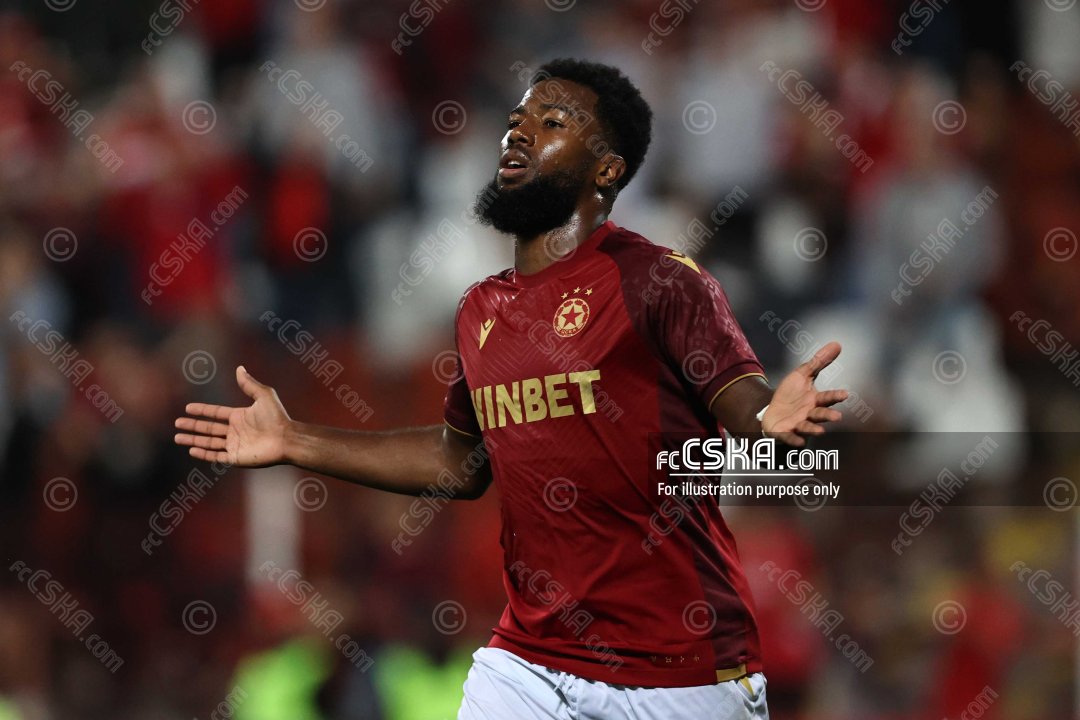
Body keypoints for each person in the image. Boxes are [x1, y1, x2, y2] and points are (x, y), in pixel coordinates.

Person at [175, 58, 848, 720]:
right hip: (530, 663)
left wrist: (773, 415)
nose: (519, 132)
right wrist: (294, 439)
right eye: (517, 119)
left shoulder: (661, 283)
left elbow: (746, 406)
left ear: (607, 170)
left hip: (681, 671)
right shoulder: (481, 309)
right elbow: (458, 461)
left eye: (552, 122)